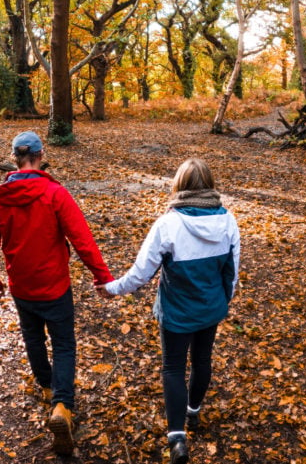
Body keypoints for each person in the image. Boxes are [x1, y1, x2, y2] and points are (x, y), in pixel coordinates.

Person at [97, 158, 240, 464]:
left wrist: (113, 288)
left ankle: (177, 439)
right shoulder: (228, 220)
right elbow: (232, 271)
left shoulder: (168, 224)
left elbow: (141, 273)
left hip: (176, 313)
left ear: (180, 185)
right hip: (210, 308)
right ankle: (194, 412)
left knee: (173, 367)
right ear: (210, 185)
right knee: (202, 360)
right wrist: (222, 302)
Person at [0, 130, 114, 455]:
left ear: (15, 159)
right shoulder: (55, 194)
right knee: (64, 344)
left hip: (22, 287)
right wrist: (103, 278)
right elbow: (82, 240)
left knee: (33, 336)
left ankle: (46, 385)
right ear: (40, 156)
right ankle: (62, 406)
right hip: (54, 287)